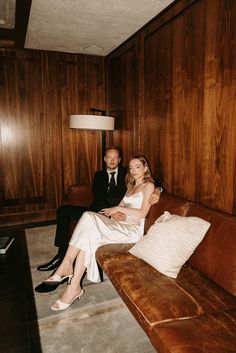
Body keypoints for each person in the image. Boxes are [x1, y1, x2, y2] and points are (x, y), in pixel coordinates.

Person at [37, 156, 155, 311]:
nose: (133, 170)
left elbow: (142, 213)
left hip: (131, 231)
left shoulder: (149, 186)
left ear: (145, 168)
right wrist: (114, 213)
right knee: (88, 231)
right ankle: (73, 286)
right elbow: (118, 207)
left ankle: (66, 267)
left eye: (137, 167)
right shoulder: (131, 185)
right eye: (131, 167)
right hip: (119, 223)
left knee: (88, 218)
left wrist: (118, 209)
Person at [37, 146, 162, 272]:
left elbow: (152, 181)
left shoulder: (129, 174)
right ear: (104, 159)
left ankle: (67, 265)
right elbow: (98, 198)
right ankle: (61, 255)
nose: (112, 161)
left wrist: (158, 190)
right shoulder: (98, 175)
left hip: (119, 215)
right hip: (99, 211)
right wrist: (111, 214)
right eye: (109, 158)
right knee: (63, 210)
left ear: (119, 160)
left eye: (115, 158)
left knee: (87, 223)